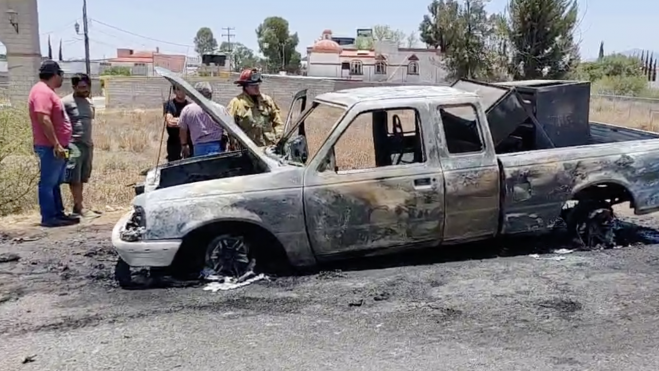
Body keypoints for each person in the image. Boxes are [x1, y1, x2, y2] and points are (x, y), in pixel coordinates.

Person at [28, 60, 79, 227]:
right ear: (55, 74)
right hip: (50, 146)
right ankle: (49, 217)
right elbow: (43, 118)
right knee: (48, 183)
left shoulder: (47, 91)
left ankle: (58, 213)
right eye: (61, 75)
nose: (62, 78)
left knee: (55, 182)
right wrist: (56, 144)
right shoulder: (42, 92)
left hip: (58, 146)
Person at [61, 73, 100, 218]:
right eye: (82, 87)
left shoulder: (89, 102)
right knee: (74, 177)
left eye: (87, 87)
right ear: (74, 87)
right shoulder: (65, 102)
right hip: (73, 145)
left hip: (87, 145)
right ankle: (78, 207)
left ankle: (79, 206)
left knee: (83, 176)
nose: (85, 90)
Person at [227, 68, 284, 147]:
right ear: (245, 86)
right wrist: (234, 144)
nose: (256, 87)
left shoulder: (267, 100)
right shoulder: (236, 103)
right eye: (253, 85)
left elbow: (278, 122)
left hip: (269, 148)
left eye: (258, 84)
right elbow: (229, 126)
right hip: (248, 150)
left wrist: (278, 138)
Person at [178, 82, 226, 158]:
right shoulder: (220, 109)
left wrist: (184, 145)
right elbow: (229, 128)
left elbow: (183, 129)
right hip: (217, 145)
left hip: (198, 147)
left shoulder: (187, 109)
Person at [162, 84, 191, 161]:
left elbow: (192, 122)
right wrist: (185, 121)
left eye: (183, 89)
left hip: (188, 142)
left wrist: (178, 120)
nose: (181, 92)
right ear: (174, 91)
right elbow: (170, 122)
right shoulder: (169, 104)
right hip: (174, 142)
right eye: (178, 89)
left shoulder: (190, 106)